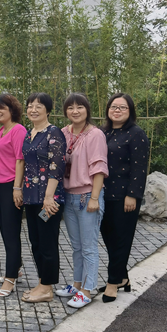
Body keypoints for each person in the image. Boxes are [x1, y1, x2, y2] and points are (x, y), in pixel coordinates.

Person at [58, 93, 108, 308]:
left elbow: (99, 167)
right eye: (70, 107)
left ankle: (88, 290)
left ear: (87, 109)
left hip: (87, 196)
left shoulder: (95, 134)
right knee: (76, 246)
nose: (75, 111)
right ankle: (77, 284)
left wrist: (94, 198)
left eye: (80, 107)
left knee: (88, 247)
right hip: (68, 196)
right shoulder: (63, 133)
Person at [100, 93, 150, 303]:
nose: (117, 110)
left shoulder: (136, 134)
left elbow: (140, 167)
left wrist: (133, 195)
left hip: (124, 196)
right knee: (109, 238)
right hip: (103, 194)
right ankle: (122, 277)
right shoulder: (104, 132)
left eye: (122, 107)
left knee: (121, 239)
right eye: (114, 106)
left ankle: (113, 283)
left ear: (130, 111)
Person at [20, 93, 66, 303]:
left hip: (49, 200)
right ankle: (41, 283)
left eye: (38, 106)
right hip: (31, 198)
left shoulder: (53, 132)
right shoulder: (29, 134)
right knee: (36, 241)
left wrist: (49, 197)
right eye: (30, 106)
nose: (33, 110)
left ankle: (47, 288)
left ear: (48, 110)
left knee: (47, 242)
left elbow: (56, 166)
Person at [0, 94, 27, 298]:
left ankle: (10, 278)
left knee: (11, 233)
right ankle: (16, 267)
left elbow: (21, 160)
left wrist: (17, 188)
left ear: (12, 109)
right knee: (4, 230)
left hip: (10, 185)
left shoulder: (18, 130)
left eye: (1, 108)